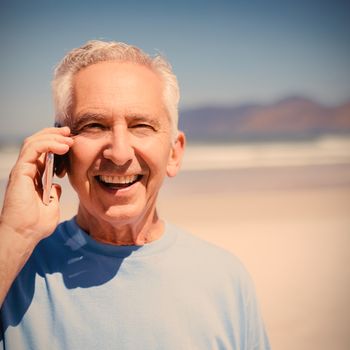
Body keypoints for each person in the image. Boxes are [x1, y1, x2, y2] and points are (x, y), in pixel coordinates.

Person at [0, 40, 270, 349]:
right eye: (94, 126)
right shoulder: (15, 271)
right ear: (60, 153)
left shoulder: (225, 280)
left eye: (141, 126)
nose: (119, 153)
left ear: (174, 153)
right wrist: (14, 234)